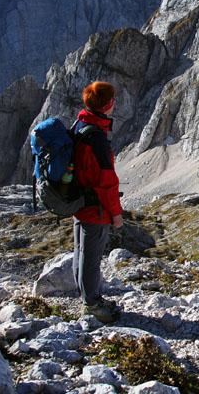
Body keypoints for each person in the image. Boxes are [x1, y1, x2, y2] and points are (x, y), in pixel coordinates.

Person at [71, 81, 123, 323]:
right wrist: (116, 213)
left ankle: (86, 298)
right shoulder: (97, 137)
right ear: (108, 104)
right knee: (91, 257)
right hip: (94, 208)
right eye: (112, 100)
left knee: (80, 252)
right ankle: (92, 305)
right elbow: (106, 181)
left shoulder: (80, 124)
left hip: (78, 202)